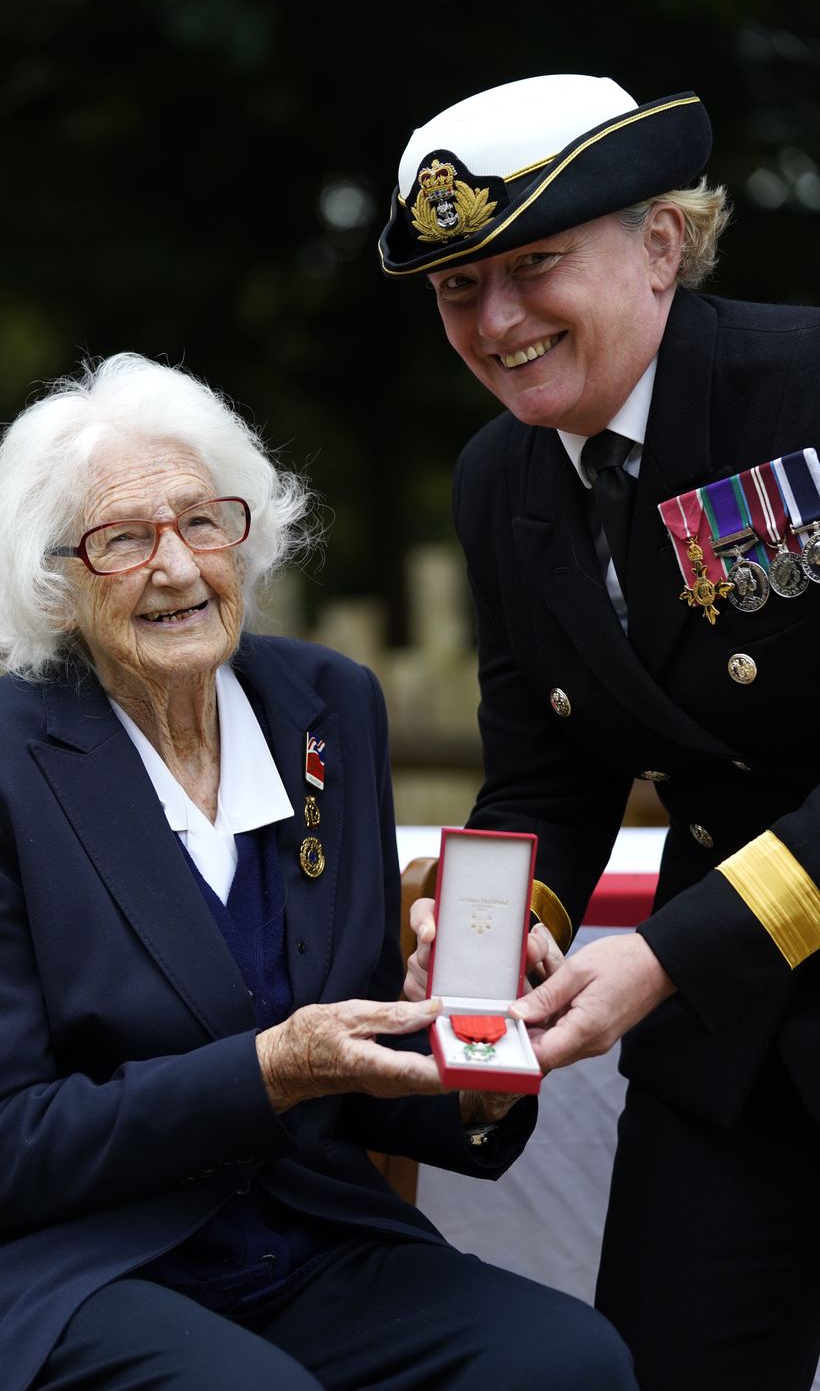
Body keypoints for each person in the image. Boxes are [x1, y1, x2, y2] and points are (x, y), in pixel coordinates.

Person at [0, 353, 637, 1391]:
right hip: (66, 1271)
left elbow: (347, 1072)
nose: (176, 567)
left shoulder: (326, 706)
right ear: (52, 581)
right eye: (123, 540)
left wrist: (477, 1064)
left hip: (302, 1239)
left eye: (203, 521)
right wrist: (271, 1068)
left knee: (567, 1362)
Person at [379, 74, 820, 1391]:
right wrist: (474, 951)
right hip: (732, 1042)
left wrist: (660, 961)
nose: (497, 320)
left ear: (663, 244)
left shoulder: (806, 390)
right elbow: (548, 772)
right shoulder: (498, 479)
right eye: (459, 286)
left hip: (708, 960)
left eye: (533, 266)